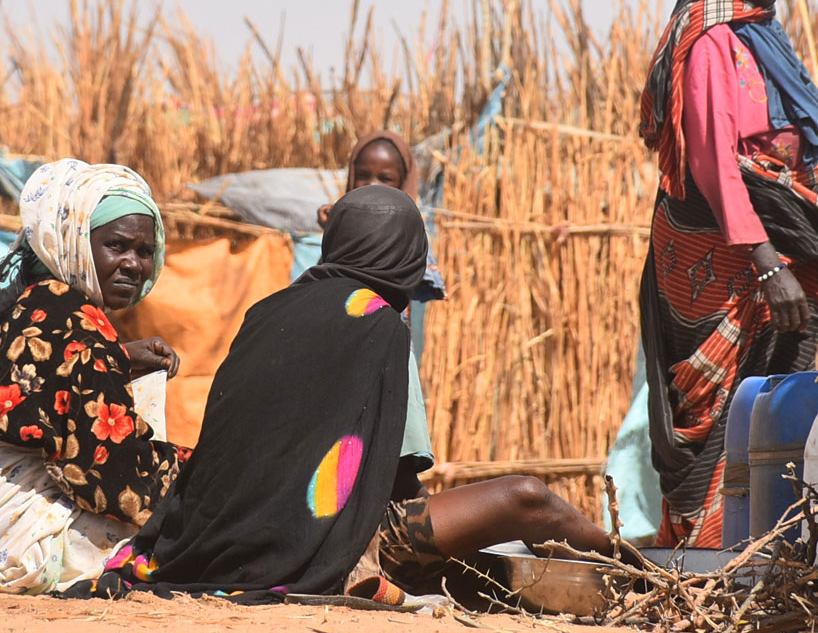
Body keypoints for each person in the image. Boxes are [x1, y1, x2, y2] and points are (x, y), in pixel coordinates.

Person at [78, 185, 610, 602]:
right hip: (315, 537)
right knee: (528, 499)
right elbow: (396, 482)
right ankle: (635, 570)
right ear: (405, 257)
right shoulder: (379, 324)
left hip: (213, 534)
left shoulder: (267, 312)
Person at [638, 0, 818, 548]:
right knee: (714, 412)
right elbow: (712, 161)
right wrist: (767, 260)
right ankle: (703, 554)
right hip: (721, 251)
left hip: (761, 243)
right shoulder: (710, 36)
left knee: (770, 397)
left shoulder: (756, 31)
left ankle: (763, 544)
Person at [0, 159, 183, 593]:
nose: (133, 265)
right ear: (75, 243)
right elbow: (106, 477)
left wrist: (115, 358)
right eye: (116, 246)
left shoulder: (35, 300)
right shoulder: (76, 317)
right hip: (25, 534)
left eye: (143, 251)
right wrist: (196, 475)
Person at [317, 129, 445, 478]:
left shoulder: (410, 236)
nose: (372, 184)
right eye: (364, 175)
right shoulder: (332, 225)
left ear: (404, 184)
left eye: (385, 179)